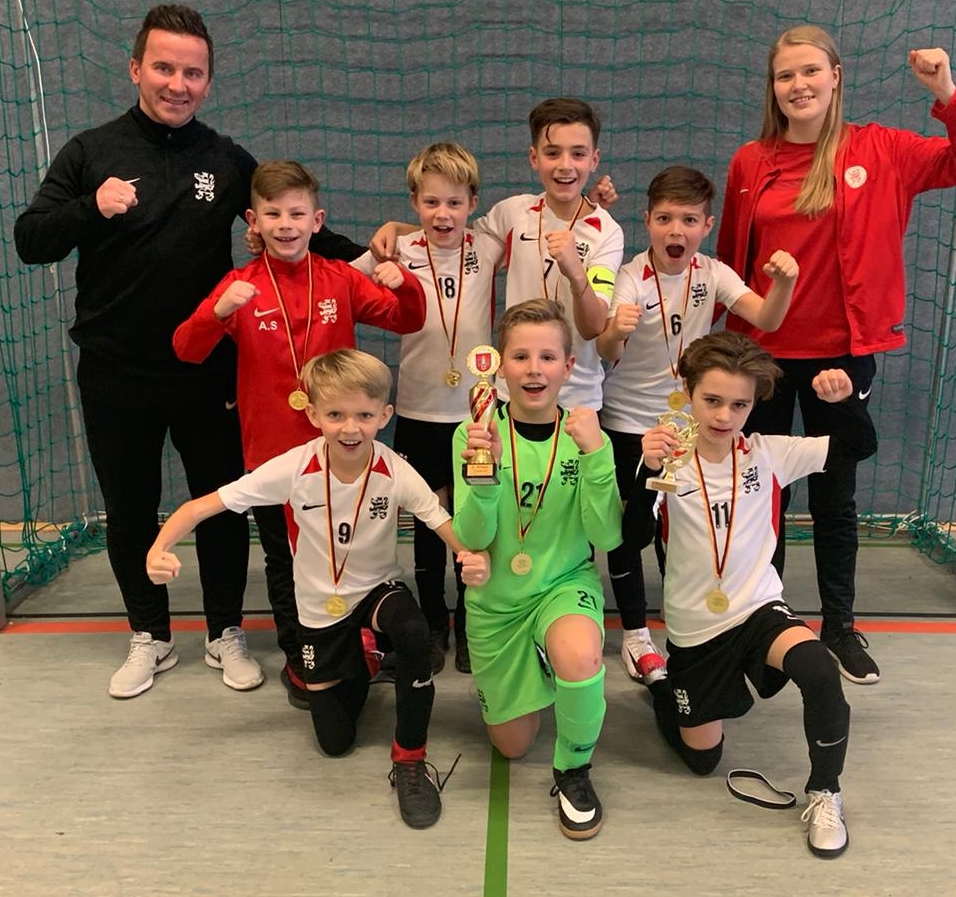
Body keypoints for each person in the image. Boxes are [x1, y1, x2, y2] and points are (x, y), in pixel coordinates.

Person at [14, 3, 364, 700]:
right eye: (164, 68)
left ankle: (224, 631)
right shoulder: (90, 152)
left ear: (208, 80)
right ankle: (149, 635)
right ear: (135, 68)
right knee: (131, 508)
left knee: (222, 505)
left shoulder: (224, 159)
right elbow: (31, 239)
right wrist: (90, 208)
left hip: (208, 371)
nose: (178, 84)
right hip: (116, 371)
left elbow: (296, 225)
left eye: (193, 73)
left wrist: (381, 256)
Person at [716, 26, 956, 685]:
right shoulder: (750, 162)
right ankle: (768, 624)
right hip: (761, 358)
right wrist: (717, 348)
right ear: (773, 87)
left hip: (840, 360)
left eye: (810, 71)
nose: (799, 85)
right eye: (786, 75)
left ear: (836, 75)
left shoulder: (883, 149)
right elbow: (730, 260)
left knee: (834, 497)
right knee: (762, 496)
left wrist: (945, 92)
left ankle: (840, 626)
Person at [146, 350, 488, 829]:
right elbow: (202, 506)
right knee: (335, 742)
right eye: (335, 415)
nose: (350, 428)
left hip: (377, 591)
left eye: (364, 415)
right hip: (319, 608)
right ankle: (364, 657)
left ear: (385, 415)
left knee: (413, 631)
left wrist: (469, 556)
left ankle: (410, 760)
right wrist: (159, 547)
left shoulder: (394, 470)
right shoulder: (293, 466)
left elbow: (439, 520)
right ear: (312, 414)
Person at [172, 161, 427, 709]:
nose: (285, 224)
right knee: (285, 559)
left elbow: (407, 320)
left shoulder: (339, 278)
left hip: (345, 452)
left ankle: (360, 641)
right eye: (273, 214)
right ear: (253, 221)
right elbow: (186, 349)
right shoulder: (239, 286)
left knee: (353, 550)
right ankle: (300, 655)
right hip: (273, 455)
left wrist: (405, 285)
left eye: (296, 213)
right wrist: (216, 313)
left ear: (317, 219)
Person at [623, 332, 876, 857]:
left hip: (759, 609)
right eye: (712, 400)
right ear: (687, 393)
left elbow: (858, 446)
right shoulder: (667, 459)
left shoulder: (768, 453)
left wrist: (844, 403)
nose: (724, 415)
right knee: (702, 761)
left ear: (753, 403)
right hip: (696, 630)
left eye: (738, 404)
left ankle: (825, 792)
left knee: (820, 670)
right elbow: (632, 539)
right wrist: (647, 472)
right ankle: (664, 686)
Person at [595, 164, 799, 682]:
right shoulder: (630, 276)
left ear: (706, 225)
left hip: (691, 425)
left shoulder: (713, 273)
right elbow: (605, 350)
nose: (676, 230)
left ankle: (689, 631)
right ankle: (636, 636)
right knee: (627, 531)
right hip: (628, 423)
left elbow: (767, 318)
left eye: (689, 220)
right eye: (665, 218)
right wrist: (615, 332)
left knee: (686, 529)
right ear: (647, 221)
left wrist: (784, 284)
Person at [452, 300, 623, 841]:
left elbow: (607, 537)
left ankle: (573, 770)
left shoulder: (587, 435)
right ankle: (549, 667)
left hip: (562, 584)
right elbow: (473, 537)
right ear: (499, 365)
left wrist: (597, 457)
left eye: (548, 357)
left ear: (568, 367)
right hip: (498, 601)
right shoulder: (474, 433)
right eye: (520, 356)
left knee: (580, 656)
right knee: (512, 746)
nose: (534, 369)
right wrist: (483, 480)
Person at [351, 143, 500, 676]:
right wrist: (390, 234)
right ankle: (435, 622)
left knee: (474, 521)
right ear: (414, 201)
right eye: (431, 202)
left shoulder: (491, 243)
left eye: (455, 203)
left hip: (477, 415)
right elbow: (337, 278)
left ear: (473, 203)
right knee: (429, 522)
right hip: (418, 411)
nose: (443, 214)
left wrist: (597, 203)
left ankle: (473, 621)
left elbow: (547, 222)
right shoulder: (397, 248)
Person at [370, 98, 623, 412]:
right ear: (534, 158)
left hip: (576, 398)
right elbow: (454, 236)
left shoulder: (607, 232)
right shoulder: (513, 212)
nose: (565, 165)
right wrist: (397, 228)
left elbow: (593, 327)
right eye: (552, 153)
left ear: (594, 160)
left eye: (578, 154)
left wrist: (574, 271)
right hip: (511, 391)